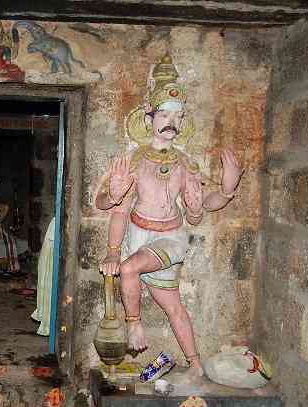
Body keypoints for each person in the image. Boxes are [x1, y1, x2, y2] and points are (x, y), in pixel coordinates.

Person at [95, 54, 243, 378]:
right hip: (139, 235)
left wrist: (227, 188)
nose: (170, 122)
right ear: (149, 118)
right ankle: (196, 364)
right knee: (173, 306)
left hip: (170, 237)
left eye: (177, 116)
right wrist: (112, 246)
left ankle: (134, 325)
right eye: (164, 114)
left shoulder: (185, 163)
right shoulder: (134, 161)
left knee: (129, 268)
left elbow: (204, 202)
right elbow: (112, 207)